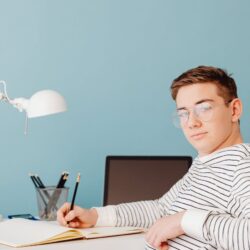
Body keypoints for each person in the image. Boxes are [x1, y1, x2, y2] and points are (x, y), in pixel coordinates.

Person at [57, 66, 250, 250]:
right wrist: (95, 216)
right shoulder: (205, 164)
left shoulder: (242, 166)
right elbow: (161, 209)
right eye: (183, 113)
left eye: (204, 108)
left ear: (234, 110)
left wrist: (184, 220)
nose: (192, 122)